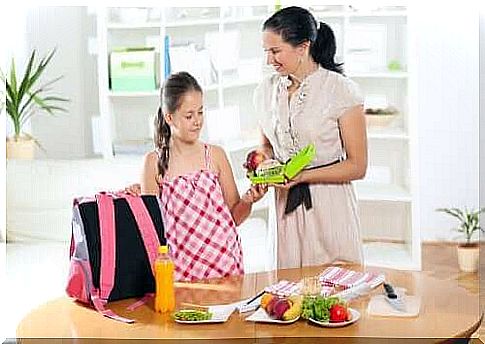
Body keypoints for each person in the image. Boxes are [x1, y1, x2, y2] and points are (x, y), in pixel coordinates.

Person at [254, 6, 368, 269]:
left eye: (275, 51)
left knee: (336, 289)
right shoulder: (264, 91)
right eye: (266, 52)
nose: (269, 61)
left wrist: (302, 176)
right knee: (288, 295)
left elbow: (357, 165)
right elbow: (266, 145)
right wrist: (264, 163)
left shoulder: (341, 91)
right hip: (285, 208)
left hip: (329, 205)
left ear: (303, 47)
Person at [129, 71, 267, 281]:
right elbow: (151, 232)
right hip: (179, 272)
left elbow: (235, 217)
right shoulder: (153, 163)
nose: (197, 121)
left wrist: (249, 200)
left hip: (225, 265)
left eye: (201, 112)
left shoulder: (215, 155)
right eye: (189, 115)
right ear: (169, 117)